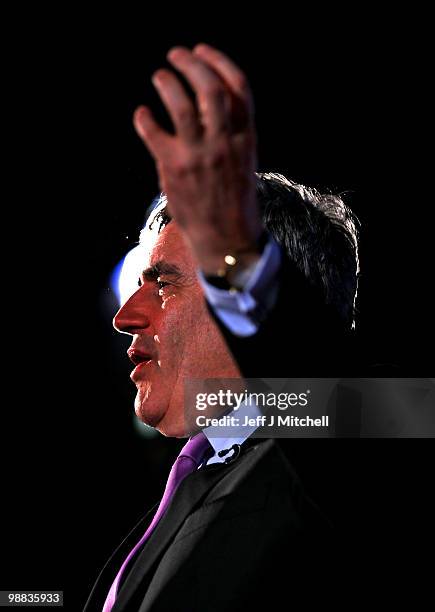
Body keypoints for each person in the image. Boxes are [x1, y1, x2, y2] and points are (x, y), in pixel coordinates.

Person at [84, 44, 359, 611]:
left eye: (162, 283)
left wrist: (236, 249)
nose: (124, 316)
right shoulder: (191, 485)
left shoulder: (352, 446)